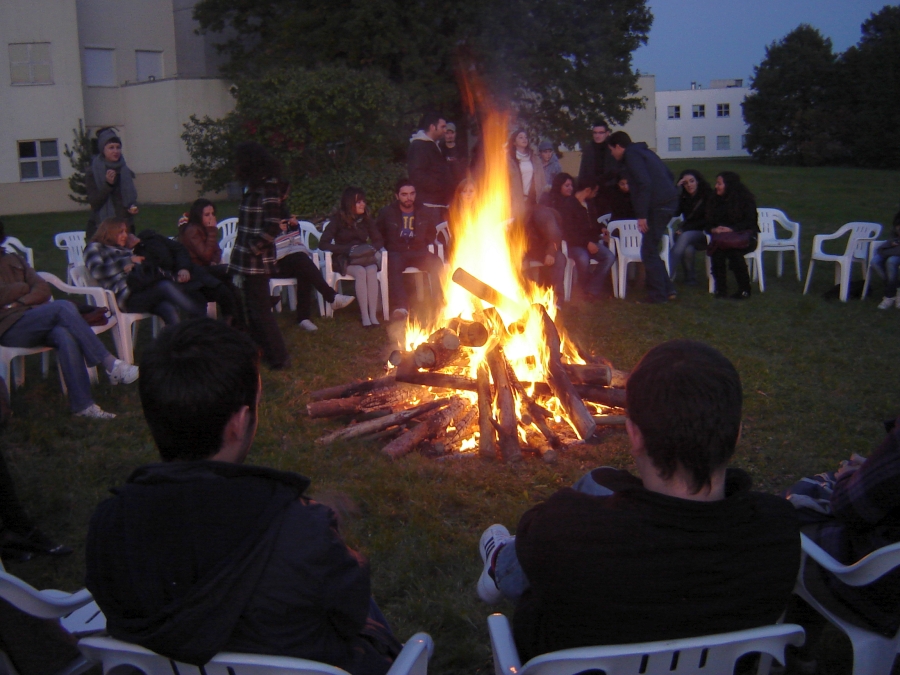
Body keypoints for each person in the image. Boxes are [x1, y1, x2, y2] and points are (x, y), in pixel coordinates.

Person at [85, 318, 402, 674]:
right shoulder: (302, 533)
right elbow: (350, 612)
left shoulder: (108, 524)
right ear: (238, 423)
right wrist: (311, 528)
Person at [474, 339, 800, 662]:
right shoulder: (780, 532)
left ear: (634, 434)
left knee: (586, 496)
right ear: (737, 433)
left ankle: (499, 558)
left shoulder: (569, 531)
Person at [782, 418, 900, 671]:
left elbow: (850, 506)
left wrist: (850, 475)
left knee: (791, 523)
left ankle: (793, 654)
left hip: (882, 589)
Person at [227, 142, 290, 367]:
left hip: (258, 260)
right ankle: (260, 351)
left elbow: (273, 225)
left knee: (261, 311)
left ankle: (280, 357)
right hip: (246, 259)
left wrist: (254, 248)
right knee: (253, 310)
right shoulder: (253, 187)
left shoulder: (268, 188)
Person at [85, 218, 205, 328]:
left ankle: (178, 341)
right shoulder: (94, 247)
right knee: (164, 286)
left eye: (125, 232)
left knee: (167, 307)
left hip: (141, 289)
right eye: (120, 232)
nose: (125, 235)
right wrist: (127, 261)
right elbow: (97, 271)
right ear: (110, 232)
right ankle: (202, 319)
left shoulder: (122, 249)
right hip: (126, 297)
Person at [607, 131, 678, 304]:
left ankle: (658, 295)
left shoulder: (632, 156)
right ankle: (668, 289)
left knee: (648, 250)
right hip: (667, 202)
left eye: (611, 150)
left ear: (618, 146)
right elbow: (669, 175)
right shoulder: (644, 152)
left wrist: (642, 215)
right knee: (650, 248)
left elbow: (644, 183)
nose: (612, 154)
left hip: (660, 206)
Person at [375, 179, 444, 321]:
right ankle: (401, 307)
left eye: (412, 194)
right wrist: (387, 247)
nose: (409, 198)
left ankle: (439, 303)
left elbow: (431, 232)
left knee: (436, 263)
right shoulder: (387, 212)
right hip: (397, 251)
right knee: (393, 265)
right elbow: (378, 233)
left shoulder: (424, 211)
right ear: (397, 196)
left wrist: (423, 242)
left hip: (418, 251)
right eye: (404, 194)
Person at [320, 188, 385, 327]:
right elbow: (323, 243)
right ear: (349, 203)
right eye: (358, 202)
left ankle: (373, 315)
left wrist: (370, 248)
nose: (363, 204)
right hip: (345, 259)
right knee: (360, 272)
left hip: (364, 257)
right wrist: (347, 249)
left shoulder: (366, 219)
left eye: (363, 201)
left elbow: (379, 240)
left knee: (372, 269)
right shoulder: (338, 220)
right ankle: (365, 316)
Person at [177, 199, 246, 328]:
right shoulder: (192, 230)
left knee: (231, 287)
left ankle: (236, 325)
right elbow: (206, 255)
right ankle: (235, 323)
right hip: (195, 273)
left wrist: (214, 261)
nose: (211, 218)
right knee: (228, 271)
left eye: (213, 214)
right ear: (198, 215)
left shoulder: (204, 230)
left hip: (208, 270)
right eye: (207, 214)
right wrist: (212, 232)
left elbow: (217, 251)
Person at [554, 176, 615, 300]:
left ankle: (592, 290)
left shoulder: (589, 204)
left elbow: (592, 224)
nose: (595, 194)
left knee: (609, 257)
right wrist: (586, 243)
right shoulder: (569, 205)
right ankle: (584, 287)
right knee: (583, 258)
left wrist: (601, 229)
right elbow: (569, 232)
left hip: (591, 242)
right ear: (588, 190)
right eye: (595, 191)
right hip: (575, 245)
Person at [705, 171, 759, 300]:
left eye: (719, 184)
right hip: (722, 240)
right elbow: (707, 222)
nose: (716, 186)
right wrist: (714, 229)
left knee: (734, 253)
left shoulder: (745, 201)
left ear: (729, 185)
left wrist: (731, 229)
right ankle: (721, 288)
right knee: (717, 252)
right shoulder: (714, 200)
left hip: (744, 239)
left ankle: (744, 289)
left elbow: (750, 222)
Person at [85, 127, 138, 240]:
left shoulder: (124, 170)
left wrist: (131, 208)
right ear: (103, 150)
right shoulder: (93, 171)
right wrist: (108, 185)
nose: (116, 151)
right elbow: (95, 203)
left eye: (118, 147)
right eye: (111, 147)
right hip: (102, 228)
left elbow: (127, 198)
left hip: (125, 227)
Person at [407, 112, 453, 221]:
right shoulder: (419, 146)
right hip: (428, 205)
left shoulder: (435, 145)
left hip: (439, 203)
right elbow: (417, 174)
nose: (445, 130)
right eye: (442, 127)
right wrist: (438, 187)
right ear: (432, 127)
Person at [669, 170, 712, 285]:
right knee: (688, 248)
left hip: (705, 233)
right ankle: (690, 278)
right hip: (687, 233)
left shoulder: (708, 196)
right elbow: (674, 212)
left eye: (692, 181)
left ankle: (666, 275)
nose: (689, 185)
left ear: (697, 181)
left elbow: (707, 220)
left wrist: (685, 229)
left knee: (684, 236)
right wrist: (677, 191)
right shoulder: (684, 197)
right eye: (685, 183)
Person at [577, 119, 619, 215]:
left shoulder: (612, 149)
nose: (597, 135)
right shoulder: (588, 149)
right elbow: (583, 171)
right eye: (595, 133)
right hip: (592, 193)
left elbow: (615, 170)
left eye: (600, 133)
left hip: (610, 192)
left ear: (607, 133)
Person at [870, 209, 900, 309]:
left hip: (893, 253)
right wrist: (892, 243)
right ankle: (897, 287)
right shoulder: (896, 225)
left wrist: (887, 250)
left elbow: (884, 250)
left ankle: (889, 295)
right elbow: (889, 241)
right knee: (875, 261)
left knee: (891, 261)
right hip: (892, 251)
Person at [439, 122, 468, 187]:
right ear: (444, 134)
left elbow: (465, 168)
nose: (450, 136)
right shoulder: (440, 149)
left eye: (452, 133)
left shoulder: (461, 149)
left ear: (455, 134)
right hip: (444, 185)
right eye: (447, 133)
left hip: (459, 184)